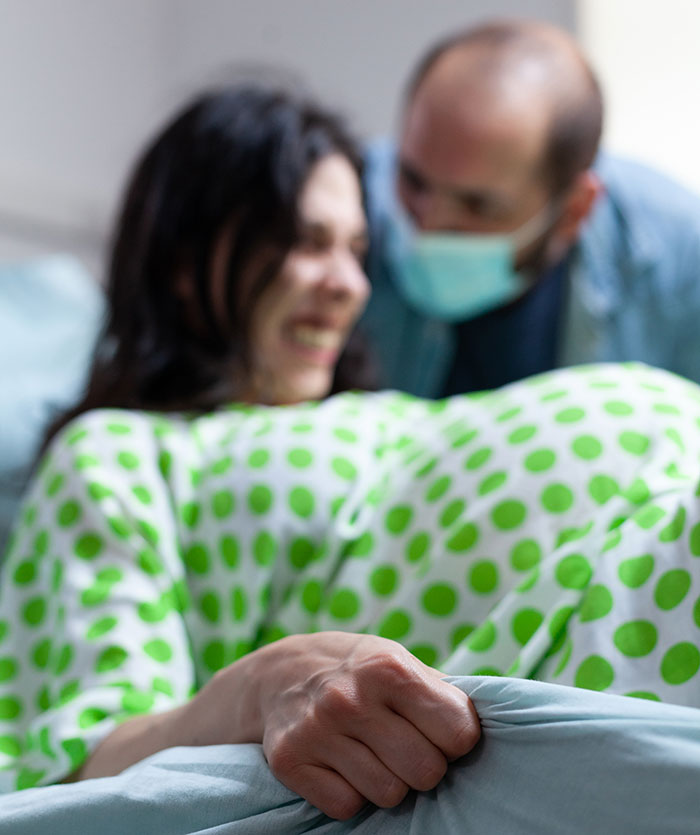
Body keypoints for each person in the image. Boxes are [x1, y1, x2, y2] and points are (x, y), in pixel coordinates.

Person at [0, 84, 480, 821]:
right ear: (187, 262)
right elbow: (76, 768)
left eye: (355, 249)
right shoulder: (117, 454)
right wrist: (261, 685)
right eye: (305, 243)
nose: (349, 285)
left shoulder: (385, 418)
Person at [362, 19, 700, 396]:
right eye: (413, 180)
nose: (429, 225)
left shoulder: (683, 265)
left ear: (574, 210)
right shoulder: (338, 212)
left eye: (478, 205)